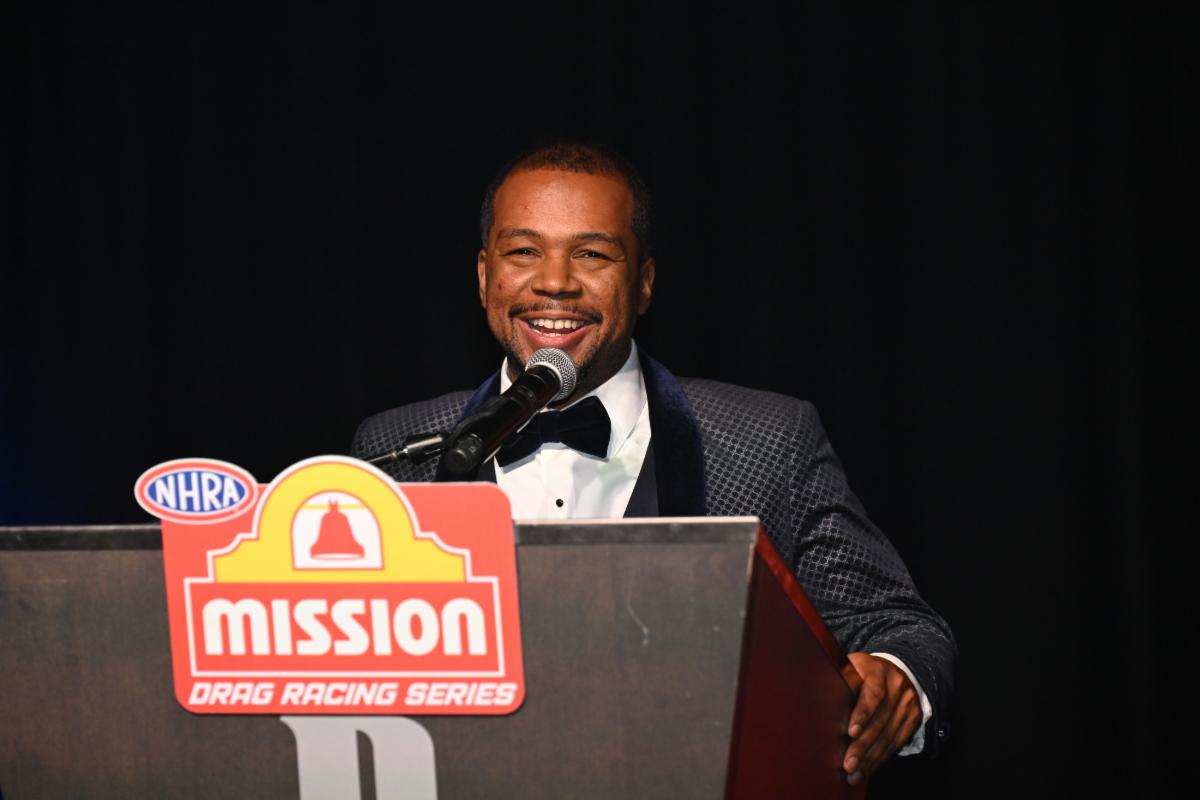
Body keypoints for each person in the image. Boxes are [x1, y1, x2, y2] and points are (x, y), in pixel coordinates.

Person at [352, 143, 956, 784]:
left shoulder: (769, 440)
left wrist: (896, 677)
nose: (555, 281)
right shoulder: (394, 450)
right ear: (483, 276)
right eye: (523, 251)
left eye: (592, 254)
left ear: (642, 282)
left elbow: (900, 627)